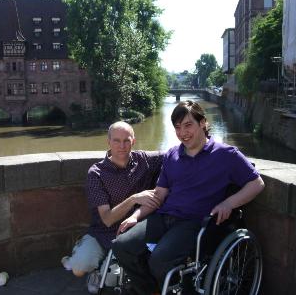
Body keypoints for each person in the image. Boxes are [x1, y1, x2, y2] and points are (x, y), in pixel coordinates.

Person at [112, 100, 265, 295]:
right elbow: (159, 195)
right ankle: (150, 290)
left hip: (194, 222)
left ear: (202, 123)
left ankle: (180, 287)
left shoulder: (226, 155)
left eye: (188, 125)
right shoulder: (172, 155)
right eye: (177, 127)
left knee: (159, 260)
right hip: (163, 217)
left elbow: (257, 183)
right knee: (122, 246)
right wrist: (136, 216)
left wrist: (228, 203)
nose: (182, 133)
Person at [62, 121, 163, 293]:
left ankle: (104, 269)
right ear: (108, 142)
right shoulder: (96, 173)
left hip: (131, 232)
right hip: (103, 232)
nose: (122, 146)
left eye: (126, 140)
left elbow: (178, 154)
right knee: (78, 269)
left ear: (134, 141)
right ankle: (84, 253)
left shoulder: (145, 160)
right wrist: (133, 199)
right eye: (116, 140)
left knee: (114, 278)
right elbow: (107, 219)